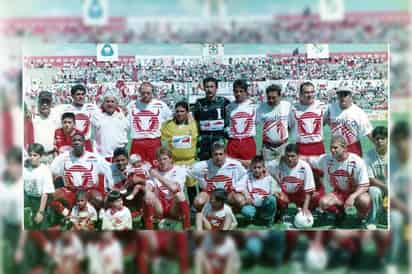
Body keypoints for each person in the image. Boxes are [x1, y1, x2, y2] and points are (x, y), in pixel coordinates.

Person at [310, 135, 371, 227]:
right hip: (339, 193)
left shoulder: (357, 161)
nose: (332, 150)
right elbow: (309, 160)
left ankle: (361, 218)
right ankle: (339, 213)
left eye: (335, 147)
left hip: (355, 193)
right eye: (331, 148)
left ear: (344, 148)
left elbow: (365, 185)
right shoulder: (326, 159)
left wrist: (353, 196)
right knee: (323, 202)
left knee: (364, 200)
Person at [50, 133, 113, 219]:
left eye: (79, 140)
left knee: (99, 199)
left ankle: (97, 217)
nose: (76, 142)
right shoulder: (63, 157)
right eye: (74, 140)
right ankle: (68, 215)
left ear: (84, 143)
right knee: (52, 196)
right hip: (71, 191)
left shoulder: (94, 157)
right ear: (71, 143)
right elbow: (51, 170)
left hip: (88, 191)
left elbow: (108, 169)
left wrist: (110, 187)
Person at [190, 142, 247, 213]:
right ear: (212, 155)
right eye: (215, 154)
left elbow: (245, 174)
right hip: (210, 194)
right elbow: (189, 171)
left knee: (240, 200)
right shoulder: (204, 165)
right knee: (198, 201)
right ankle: (206, 215)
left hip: (228, 193)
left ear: (225, 155)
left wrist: (237, 187)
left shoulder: (234, 164)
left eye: (221, 154)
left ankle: (230, 211)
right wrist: (201, 178)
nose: (218, 157)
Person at [161, 101, 198, 204]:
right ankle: (175, 210)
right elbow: (163, 143)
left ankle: (193, 207)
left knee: (191, 187)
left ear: (187, 112)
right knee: (175, 188)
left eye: (182, 111)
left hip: (190, 161)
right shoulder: (168, 125)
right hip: (175, 163)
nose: (179, 113)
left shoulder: (193, 124)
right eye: (177, 111)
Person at [145, 148, 191, 229]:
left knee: (179, 195)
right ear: (157, 161)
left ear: (171, 159)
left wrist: (157, 176)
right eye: (159, 159)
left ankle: (187, 228)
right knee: (148, 194)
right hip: (160, 207)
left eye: (165, 159)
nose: (162, 162)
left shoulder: (179, 170)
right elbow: (148, 187)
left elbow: (174, 188)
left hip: (174, 207)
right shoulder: (154, 171)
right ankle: (149, 229)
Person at [127, 82, 172, 165]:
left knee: (156, 168)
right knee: (136, 169)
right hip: (137, 142)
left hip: (154, 142)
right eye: (143, 93)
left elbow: (170, 120)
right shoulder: (132, 105)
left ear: (152, 93)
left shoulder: (160, 105)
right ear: (139, 92)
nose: (146, 95)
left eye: (148, 93)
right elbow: (125, 123)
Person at [268, 144, 316, 217]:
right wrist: (276, 187)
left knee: (314, 200)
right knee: (276, 197)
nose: (290, 159)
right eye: (288, 156)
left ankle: (303, 207)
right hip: (285, 193)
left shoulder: (305, 166)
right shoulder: (278, 164)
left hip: (300, 194)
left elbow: (309, 191)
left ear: (298, 156)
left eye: (293, 156)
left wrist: (305, 208)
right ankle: (279, 210)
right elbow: (265, 169)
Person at [324, 87, 374, 156]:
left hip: (353, 147)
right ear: (337, 97)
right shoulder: (331, 108)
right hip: (336, 148)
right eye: (340, 95)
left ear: (350, 96)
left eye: (345, 95)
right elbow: (322, 123)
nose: (342, 98)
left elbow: (368, 132)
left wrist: (380, 146)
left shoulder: (358, 112)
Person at [193, 77, 230, 160]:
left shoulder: (224, 102)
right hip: (203, 141)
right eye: (207, 87)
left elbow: (228, 121)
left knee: (219, 164)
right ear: (204, 88)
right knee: (204, 166)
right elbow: (195, 120)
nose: (209, 89)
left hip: (219, 139)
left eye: (211, 87)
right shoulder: (199, 103)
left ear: (216, 88)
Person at [55, 84, 99, 152]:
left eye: (83, 94)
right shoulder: (66, 109)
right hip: (72, 142)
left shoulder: (91, 108)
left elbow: (99, 124)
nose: (81, 97)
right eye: (78, 94)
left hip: (86, 142)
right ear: (72, 96)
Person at [238, 156, 278, 227]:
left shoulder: (269, 178)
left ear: (263, 168)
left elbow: (275, 192)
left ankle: (268, 219)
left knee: (272, 199)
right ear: (251, 168)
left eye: (259, 167)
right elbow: (238, 186)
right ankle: (258, 219)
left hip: (264, 205)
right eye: (254, 167)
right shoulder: (248, 176)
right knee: (245, 211)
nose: (256, 170)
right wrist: (246, 195)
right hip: (253, 205)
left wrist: (270, 196)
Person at [257, 84, 291, 164]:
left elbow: (291, 124)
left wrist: (283, 138)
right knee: (268, 172)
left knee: (284, 171)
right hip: (267, 147)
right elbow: (255, 124)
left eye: (274, 98)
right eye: (269, 97)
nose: (271, 100)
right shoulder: (261, 107)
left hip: (283, 146)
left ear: (280, 96)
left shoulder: (287, 106)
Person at [225, 79, 257, 165]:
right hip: (233, 141)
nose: (238, 94)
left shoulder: (253, 105)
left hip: (247, 141)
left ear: (246, 92)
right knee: (231, 169)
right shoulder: (229, 107)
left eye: (241, 91)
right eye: (236, 91)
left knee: (250, 168)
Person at [24, 143, 55, 229]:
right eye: (30, 155)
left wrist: (40, 212)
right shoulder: (25, 167)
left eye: (35, 155)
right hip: (27, 199)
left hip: (39, 201)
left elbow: (45, 193)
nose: (32, 157)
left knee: (40, 226)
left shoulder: (44, 170)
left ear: (40, 156)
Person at [93, 90, 128, 162]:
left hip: (119, 157)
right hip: (102, 157)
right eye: (107, 101)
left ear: (116, 103)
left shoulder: (122, 114)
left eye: (112, 101)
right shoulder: (96, 115)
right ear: (103, 103)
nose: (110, 104)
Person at [365, 126, 388, 228]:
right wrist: (385, 187)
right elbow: (370, 178)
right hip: (379, 187)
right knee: (374, 191)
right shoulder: (368, 155)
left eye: (382, 138)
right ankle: (373, 219)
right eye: (377, 138)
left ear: (388, 139)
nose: (379, 141)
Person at [31, 91, 59, 162]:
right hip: (36, 157)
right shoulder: (32, 117)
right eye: (42, 102)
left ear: (51, 103)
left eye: (47, 102)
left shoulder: (57, 116)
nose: (45, 104)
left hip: (53, 156)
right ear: (38, 103)